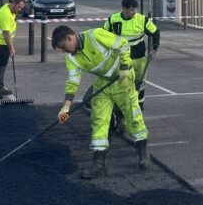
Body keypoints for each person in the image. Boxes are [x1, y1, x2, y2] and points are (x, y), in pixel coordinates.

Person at [52, 24, 148, 179]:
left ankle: (143, 153)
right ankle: (98, 165)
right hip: (102, 84)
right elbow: (73, 81)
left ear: (69, 38)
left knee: (133, 115)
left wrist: (124, 66)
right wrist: (65, 107)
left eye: (64, 47)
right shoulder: (71, 58)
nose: (64, 51)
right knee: (99, 121)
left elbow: (122, 43)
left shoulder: (96, 35)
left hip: (123, 80)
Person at [102, 0, 159, 134]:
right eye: (131, 10)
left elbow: (155, 32)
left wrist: (154, 49)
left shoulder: (142, 19)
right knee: (121, 88)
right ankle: (119, 116)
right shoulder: (113, 19)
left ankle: (138, 113)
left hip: (139, 59)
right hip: (120, 59)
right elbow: (103, 36)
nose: (133, 12)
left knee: (139, 86)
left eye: (135, 10)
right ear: (124, 9)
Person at [0, 0, 25, 99]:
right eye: (19, 7)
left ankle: (0, 86)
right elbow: (6, 34)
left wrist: (9, 47)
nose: (20, 10)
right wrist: (11, 48)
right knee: (2, 61)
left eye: (22, 7)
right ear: (13, 4)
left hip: (1, 41)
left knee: (3, 61)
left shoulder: (10, 9)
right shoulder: (6, 15)